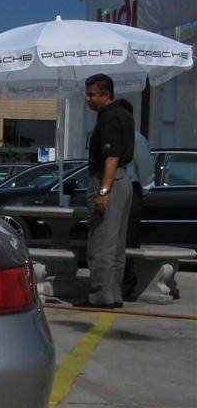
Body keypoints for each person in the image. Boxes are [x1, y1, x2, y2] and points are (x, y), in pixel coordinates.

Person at [83, 74, 134, 308]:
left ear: (105, 94)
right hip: (124, 179)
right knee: (116, 244)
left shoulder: (109, 118)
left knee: (102, 243)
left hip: (108, 177)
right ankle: (114, 293)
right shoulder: (125, 114)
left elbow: (111, 156)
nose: (88, 99)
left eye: (92, 94)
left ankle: (101, 295)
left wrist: (104, 191)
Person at [115, 99, 154, 300]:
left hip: (131, 186)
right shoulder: (113, 135)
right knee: (116, 238)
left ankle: (127, 282)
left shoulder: (135, 138)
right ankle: (118, 282)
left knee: (128, 237)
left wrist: (145, 189)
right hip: (120, 187)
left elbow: (145, 167)